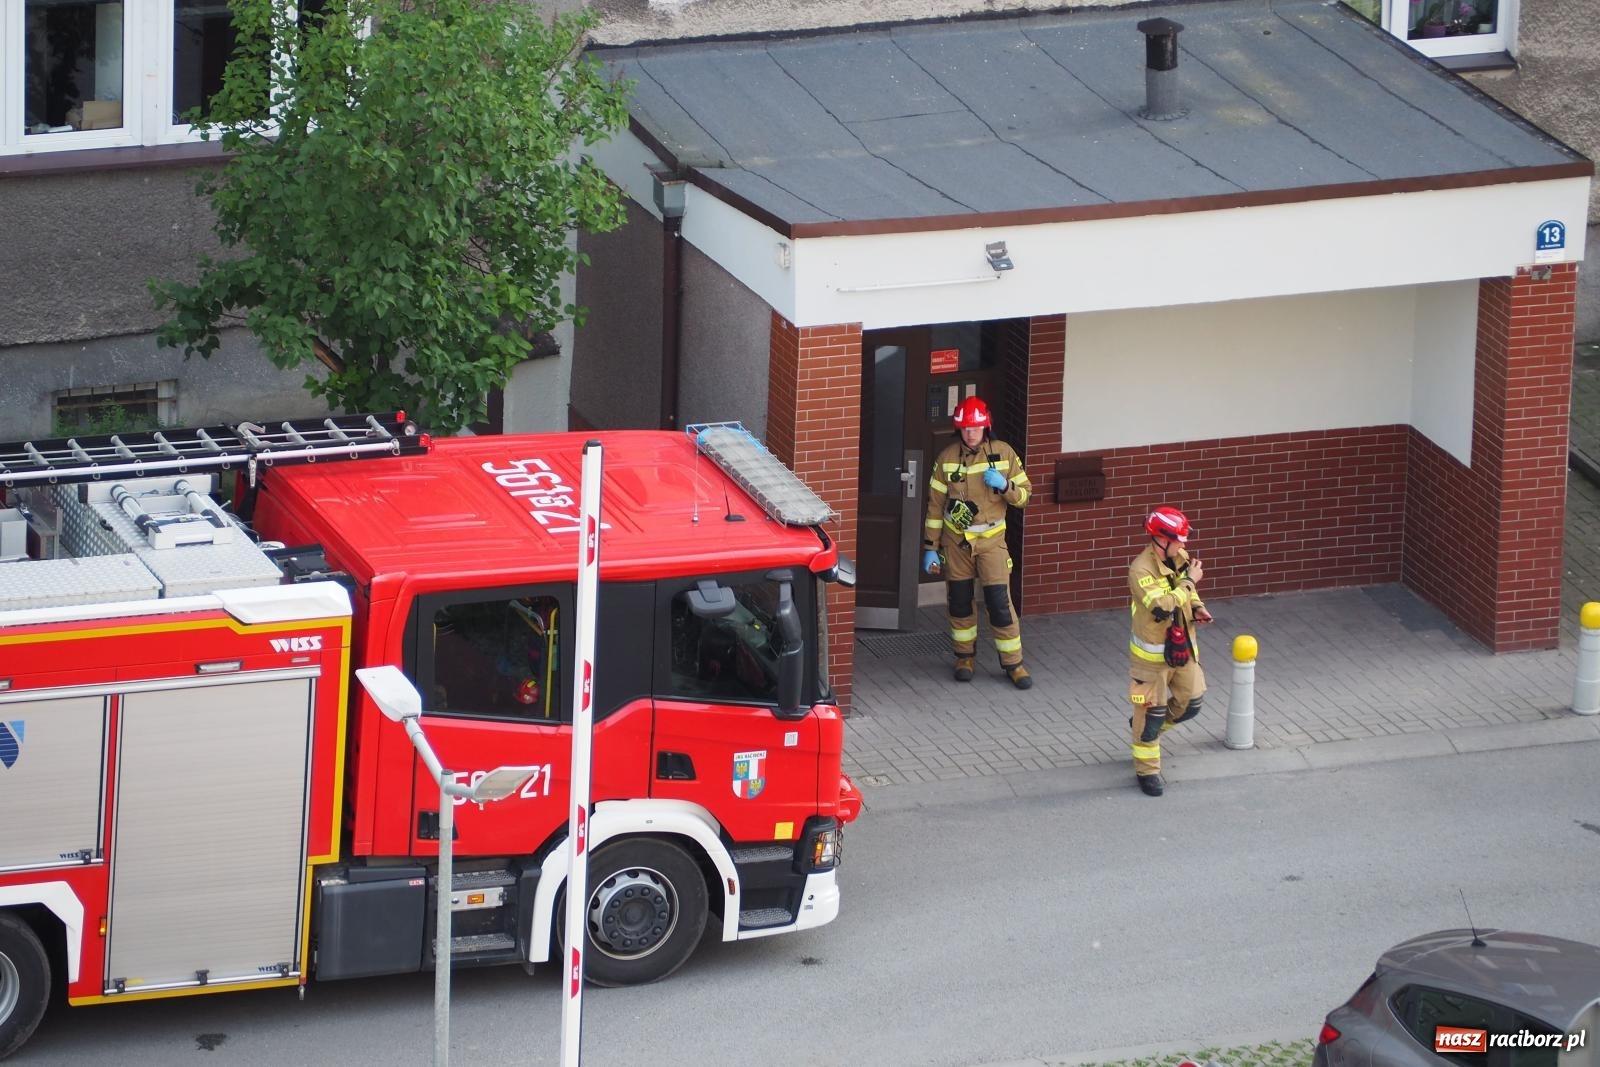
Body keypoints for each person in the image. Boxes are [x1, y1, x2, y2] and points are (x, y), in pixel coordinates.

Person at [922, 395, 1034, 689]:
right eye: (965, 428)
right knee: (959, 602)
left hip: (991, 541)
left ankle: (1014, 664)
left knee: (999, 603)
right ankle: (964, 657)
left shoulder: (1004, 453)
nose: (971, 433)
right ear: (958, 429)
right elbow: (934, 507)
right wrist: (930, 549)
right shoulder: (946, 459)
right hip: (956, 543)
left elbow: (1024, 496)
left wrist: (1006, 485)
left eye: (976, 427)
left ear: (986, 426)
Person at [1127, 506, 1214, 796]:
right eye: (1179, 539)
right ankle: (1147, 772)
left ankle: (1143, 733)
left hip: (1183, 649)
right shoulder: (1140, 569)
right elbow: (1161, 606)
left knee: (1191, 703)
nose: (1184, 544)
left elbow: (1189, 594)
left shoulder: (1180, 558)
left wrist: (1198, 607)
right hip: (1151, 662)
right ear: (1160, 539)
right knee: (1151, 717)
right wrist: (1190, 582)